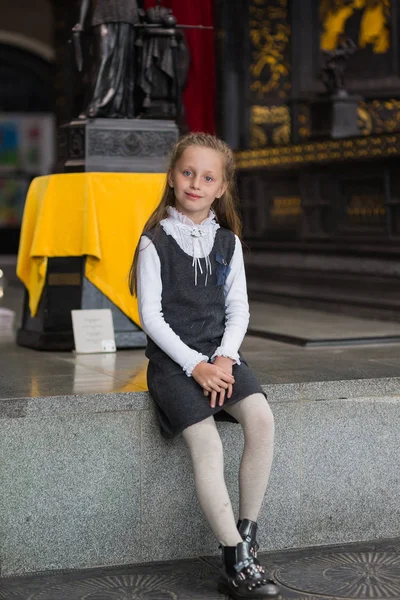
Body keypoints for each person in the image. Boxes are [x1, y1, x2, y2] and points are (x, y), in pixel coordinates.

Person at [129, 133, 278, 599]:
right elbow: (150, 317)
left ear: (221, 189)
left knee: (261, 419)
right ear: (172, 178)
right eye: (188, 173)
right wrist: (196, 366)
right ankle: (234, 559)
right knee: (208, 445)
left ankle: (247, 531)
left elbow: (239, 309)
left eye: (207, 177)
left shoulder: (228, 243)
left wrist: (225, 358)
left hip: (221, 357)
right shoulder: (154, 243)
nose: (196, 183)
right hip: (176, 365)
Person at [72, 0, 140, 118]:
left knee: (124, 64)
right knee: (103, 59)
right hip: (103, 13)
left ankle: (120, 108)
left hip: (127, 14)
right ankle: (97, 103)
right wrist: (80, 22)